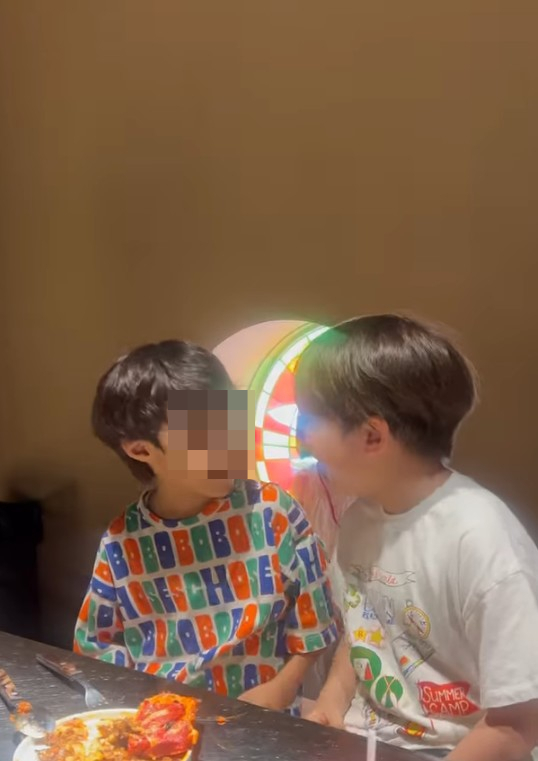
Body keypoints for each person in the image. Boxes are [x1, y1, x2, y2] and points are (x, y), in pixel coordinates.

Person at [295, 314, 538, 760]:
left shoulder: (481, 540)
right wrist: (331, 700)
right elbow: (366, 629)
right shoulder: (360, 521)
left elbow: (518, 723)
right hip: (369, 741)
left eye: (310, 420)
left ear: (372, 436)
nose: (303, 439)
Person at [74, 340, 337, 713]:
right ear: (141, 450)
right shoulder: (122, 543)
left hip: (261, 718)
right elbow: (95, 647)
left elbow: (316, 621)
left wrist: (283, 687)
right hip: (162, 720)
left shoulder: (274, 514)